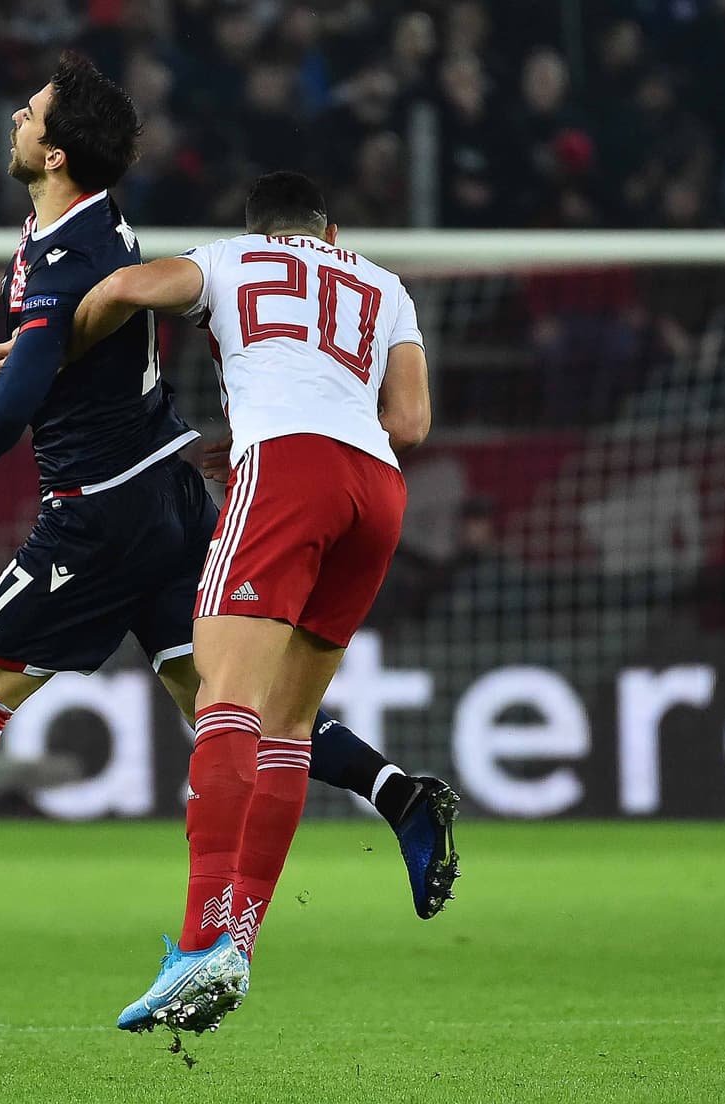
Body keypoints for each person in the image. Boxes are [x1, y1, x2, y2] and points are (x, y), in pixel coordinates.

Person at [0, 60, 455, 1025]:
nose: (17, 119)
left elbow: (35, 378)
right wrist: (55, 333)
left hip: (101, 516)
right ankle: (393, 791)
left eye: (28, 114)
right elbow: (407, 422)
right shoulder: (87, 234)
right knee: (227, 703)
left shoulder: (85, 249)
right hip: (173, 495)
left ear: (55, 152)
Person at [63, 171, 458, 1033]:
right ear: (333, 229)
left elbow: (129, 286)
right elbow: (414, 423)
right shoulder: (382, 284)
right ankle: (237, 945)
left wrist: (59, 353)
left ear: (256, 226)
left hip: (286, 472)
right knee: (286, 725)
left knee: (226, 704)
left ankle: (203, 941)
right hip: (377, 493)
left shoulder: (231, 259)